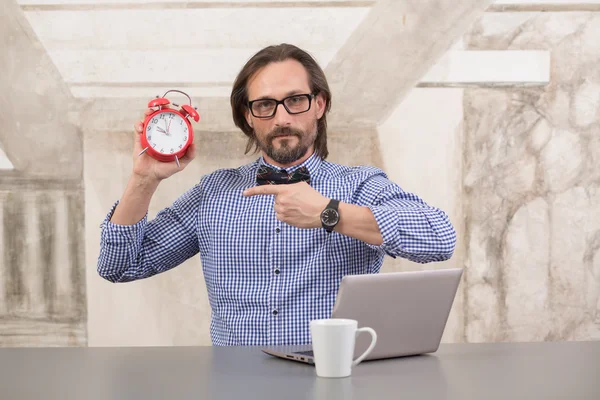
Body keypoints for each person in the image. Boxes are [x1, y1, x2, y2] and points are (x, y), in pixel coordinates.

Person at [97, 43, 456, 347]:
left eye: (295, 100)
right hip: (235, 387)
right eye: (265, 104)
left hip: (333, 381)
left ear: (320, 104)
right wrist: (143, 180)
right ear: (248, 116)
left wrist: (329, 213)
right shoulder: (213, 193)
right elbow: (120, 266)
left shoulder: (358, 186)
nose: (282, 117)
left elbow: (439, 237)